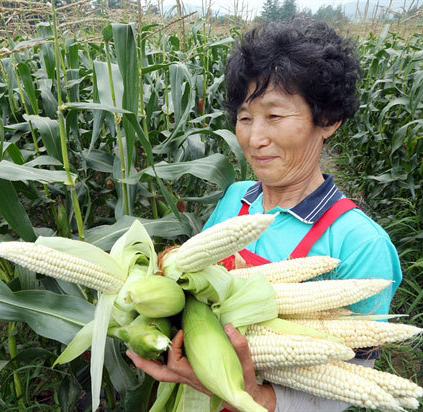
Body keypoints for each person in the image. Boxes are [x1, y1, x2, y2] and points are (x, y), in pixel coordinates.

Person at [127, 18, 402, 412]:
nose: (254, 139)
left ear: (328, 120)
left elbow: (353, 381)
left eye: (274, 117)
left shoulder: (360, 244)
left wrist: (257, 398)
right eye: (244, 117)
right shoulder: (238, 197)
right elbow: (191, 287)